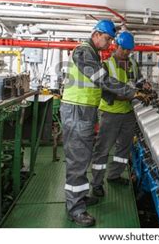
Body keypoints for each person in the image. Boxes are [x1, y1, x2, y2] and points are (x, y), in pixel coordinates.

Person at [60, 20, 147, 227]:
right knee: (78, 160)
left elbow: (102, 85)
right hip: (77, 110)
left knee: (82, 156)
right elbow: (103, 80)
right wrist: (132, 92)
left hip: (84, 110)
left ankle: (78, 198)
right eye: (108, 39)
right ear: (97, 34)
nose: (109, 44)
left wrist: (136, 92)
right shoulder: (84, 52)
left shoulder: (93, 53)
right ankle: (75, 208)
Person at [91, 31, 147, 197]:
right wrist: (127, 95)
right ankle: (97, 183)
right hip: (110, 113)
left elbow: (138, 81)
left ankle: (114, 175)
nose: (127, 53)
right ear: (116, 47)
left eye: (130, 50)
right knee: (103, 149)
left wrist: (144, 87)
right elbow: (104, 91)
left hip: (128, 113)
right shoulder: (106, 66)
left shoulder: (132, 64)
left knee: (124, 147)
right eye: (124, 49)